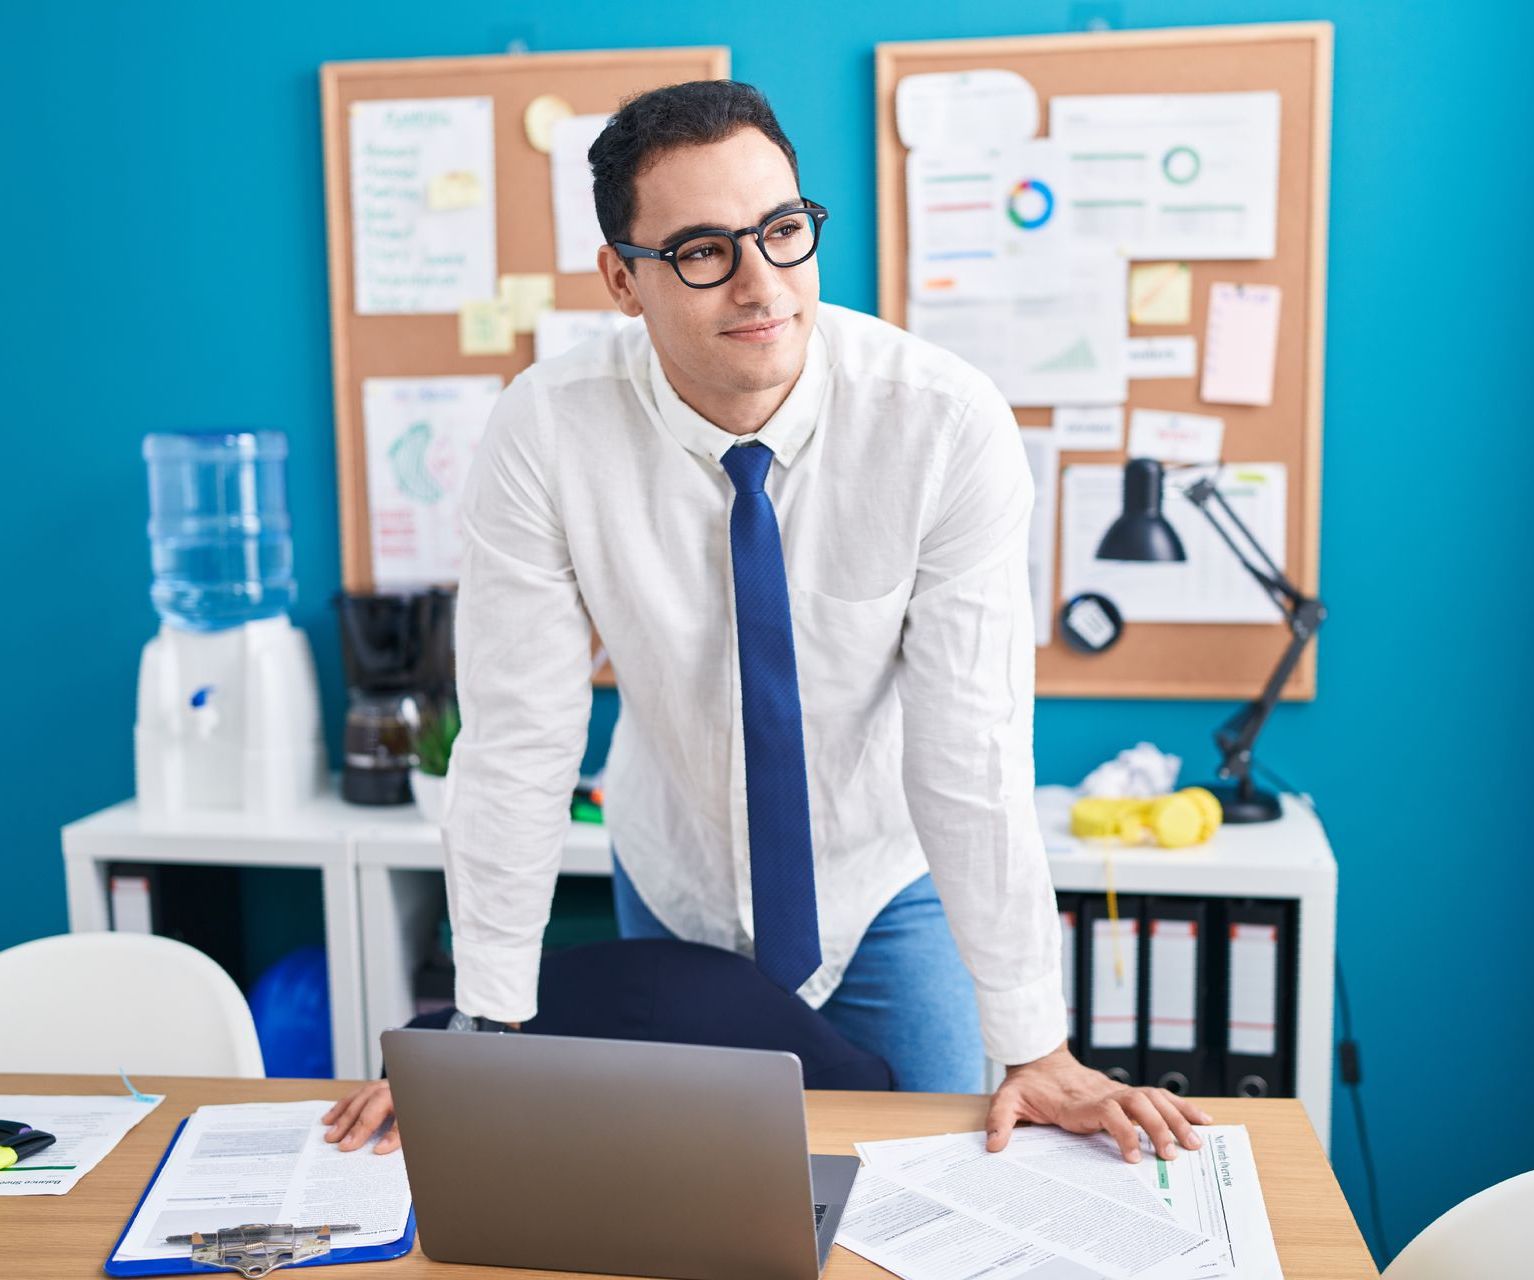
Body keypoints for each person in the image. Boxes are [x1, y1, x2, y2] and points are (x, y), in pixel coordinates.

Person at [325, 80, 1208, 1164]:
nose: (761, 284)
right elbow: (517, 738)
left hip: (889, 875)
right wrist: (487, 1022)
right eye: (701, 250)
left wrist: (1035, 1044)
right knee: (701, 1193)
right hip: (676, 865)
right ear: (621, 279)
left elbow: (968, 748)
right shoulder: (546, 433)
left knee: (918, 1185)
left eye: (782, 231)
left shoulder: (940, 424)